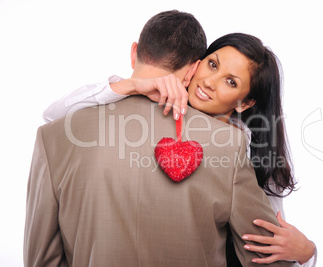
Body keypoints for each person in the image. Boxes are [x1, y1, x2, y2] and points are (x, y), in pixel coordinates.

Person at [24, 10, 292, 267]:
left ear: (134, 53)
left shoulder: (54, 136)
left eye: (231, 82)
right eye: (212, 65)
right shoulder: (231, 147)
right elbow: (269, 261)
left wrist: (308, 251)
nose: (210, 82)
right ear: (193, 70)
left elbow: (41, 260)